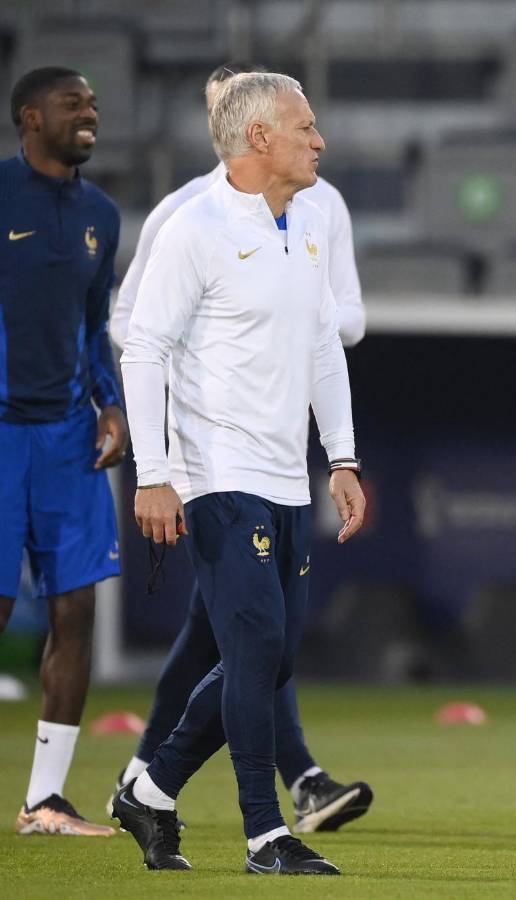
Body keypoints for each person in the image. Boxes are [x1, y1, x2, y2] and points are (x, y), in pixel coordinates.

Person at [106, 61, 370, 836]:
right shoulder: (192, 226)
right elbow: (142, 346)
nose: (320, 141)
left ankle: (151, 790)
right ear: (259, 136)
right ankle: (267, 830)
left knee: (269, 656)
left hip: (287, 474)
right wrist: (154, 474)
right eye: (306, 128)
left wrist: (343, 458)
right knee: (253, 649)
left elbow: (325, 344)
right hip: (217, 472)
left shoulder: (311, 222)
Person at [1, 67, 128, 838]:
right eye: (71, 103)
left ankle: (44, 801)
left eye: (92, 104)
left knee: (75, 607)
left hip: (68, 438)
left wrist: (111, 403)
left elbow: (94, 322)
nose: (89, 113)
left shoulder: (101, 215)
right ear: (30, 117)